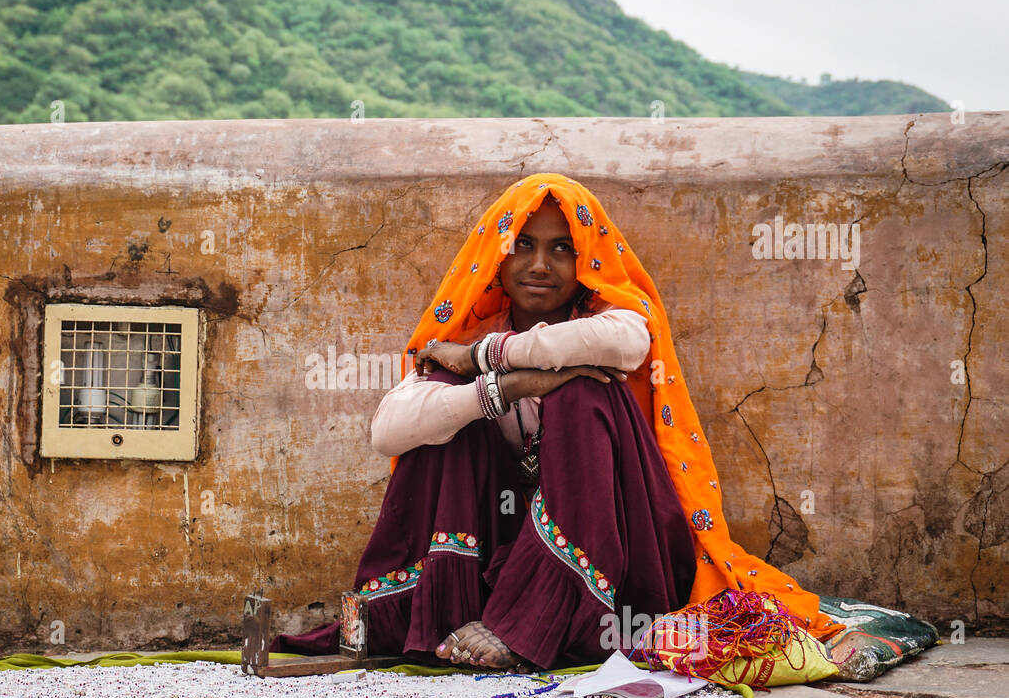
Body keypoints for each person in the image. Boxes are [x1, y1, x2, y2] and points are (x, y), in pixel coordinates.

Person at [271, 173, 843, 671]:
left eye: (562, 249)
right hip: (500, 538)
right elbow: (387, 431)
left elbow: (625, 341)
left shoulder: (607, 323)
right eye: (522, 245)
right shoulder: (466, 330)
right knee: (445, 408)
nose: (540, 265)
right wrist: (501, 389)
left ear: (587, 260)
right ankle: (442, 609)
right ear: (498, 255)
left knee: (581, 397)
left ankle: (535, 620)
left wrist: (485, 358)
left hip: (621, 553)